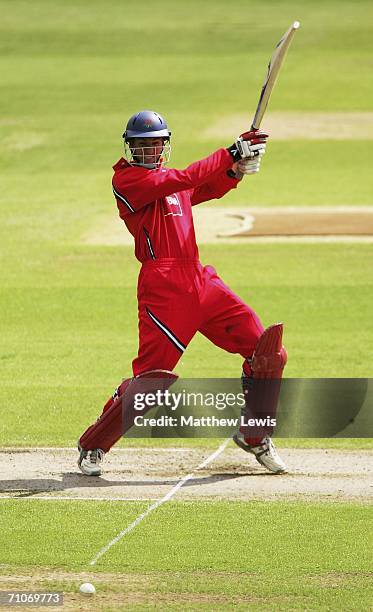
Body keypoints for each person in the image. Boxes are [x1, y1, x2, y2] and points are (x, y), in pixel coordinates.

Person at [77, 110, 287, 476]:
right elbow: (187, 176)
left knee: (267, 350)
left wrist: (237, 168)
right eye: (141, 144)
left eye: (155, 142)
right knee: (151, 379)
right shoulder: (127, 181)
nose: (148, 150)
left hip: (200, 279)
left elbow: (205, 186)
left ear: (164, 144)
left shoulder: (170, 184)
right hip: (164, 287)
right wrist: (230, 152)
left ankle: (255, 435)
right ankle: (93, 444)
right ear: (130, 147)